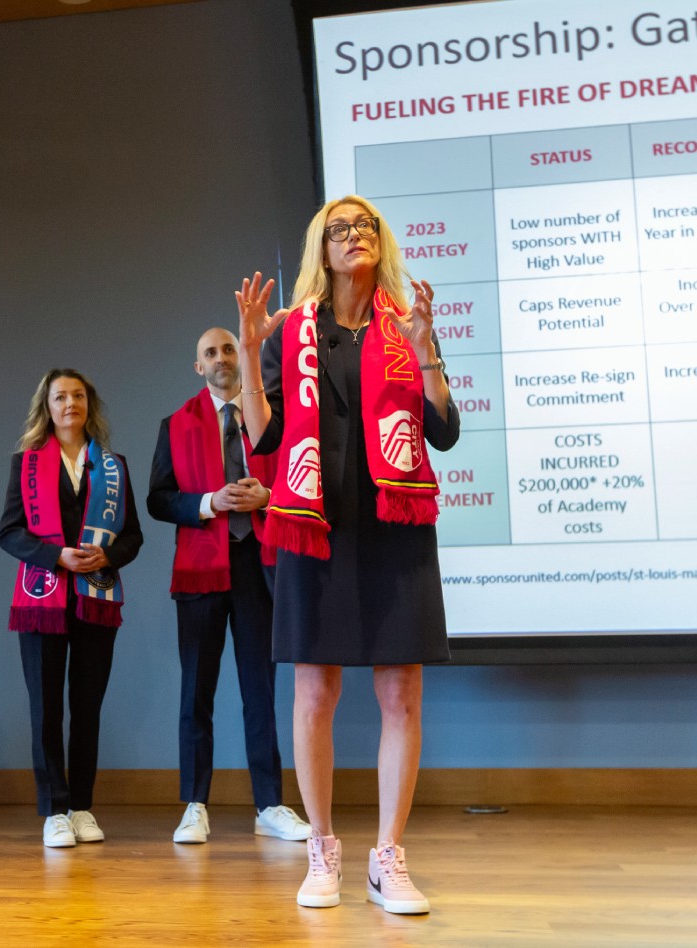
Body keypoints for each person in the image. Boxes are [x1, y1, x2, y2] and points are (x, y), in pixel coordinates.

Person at [235, 196, 460, 913]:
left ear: (379, 244)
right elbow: (264, 437)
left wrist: (426, 354)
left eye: (366, 226)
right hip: (313, 524)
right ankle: (322, 849)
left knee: (401, 693)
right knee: (314, 692)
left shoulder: (405, 323)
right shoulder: (290, 332)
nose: (355, 235)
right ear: (321, 250)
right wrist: (246, 353)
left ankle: (389, 857)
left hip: (394, 525)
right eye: (340, 228)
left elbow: (445, 430)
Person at [147, 327, 310, 845]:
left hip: (259, 566)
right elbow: (158, 499)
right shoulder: (175, 424)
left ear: (241, 356)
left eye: (227, 348)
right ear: (199, 367)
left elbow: (300, 481)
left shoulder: (271, 421)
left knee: (260, 690)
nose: (220, 358)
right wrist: (206, 503)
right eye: (209, 352)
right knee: (196, 692)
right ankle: (195, 805)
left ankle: (270, 804)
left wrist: (269, 497)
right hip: (200, 570)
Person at [0, 369, 143, 848]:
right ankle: (54, 810)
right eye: (60, 396)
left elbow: (133, 536)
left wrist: (109, 555)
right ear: (48, 406)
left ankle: (81, 806)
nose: (69, 404)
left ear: (89, 404)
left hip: (96, 598)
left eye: (78, 396)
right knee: (45, 708)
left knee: (87, 707)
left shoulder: (114, 466)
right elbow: (10, 532)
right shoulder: (26, 464)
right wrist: (54, 555)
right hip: (42, 598)